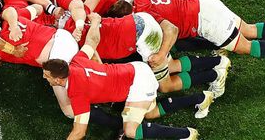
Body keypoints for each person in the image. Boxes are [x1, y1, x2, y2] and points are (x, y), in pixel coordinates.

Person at [42, 13, 209, 140]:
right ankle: (201, 98)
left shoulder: (77, 93)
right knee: (150, 113)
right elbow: (92, 40)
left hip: (137, 84)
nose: (45, 78)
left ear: (58, 79)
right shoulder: (77, 62)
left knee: (131, 131)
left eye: (47, 76)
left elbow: (79, 132)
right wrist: (95, 21)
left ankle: (186, 134)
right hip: (135, 71)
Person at [110, 0, 265, 75]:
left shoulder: (146, 18)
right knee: (248, 29)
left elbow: (173, 30)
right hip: (204, 2)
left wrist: (161, 54)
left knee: (244, 46)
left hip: (206, 21)